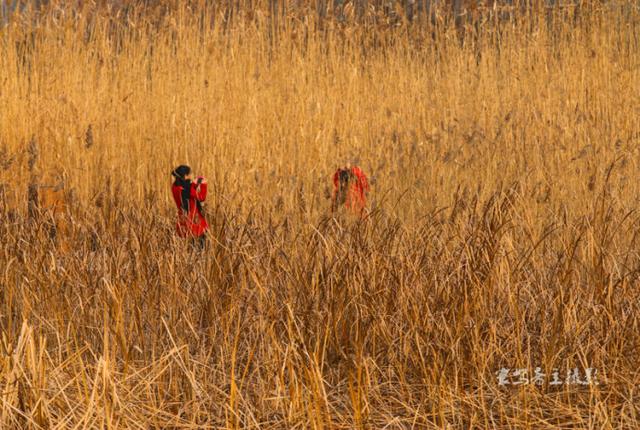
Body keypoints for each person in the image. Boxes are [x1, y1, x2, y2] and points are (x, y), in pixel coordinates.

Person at [171, 165, 208, 249]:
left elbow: (186, 194)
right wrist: (203, 185)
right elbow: (201, 197)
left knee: (186, 247)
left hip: (182, 218)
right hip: (194, 220)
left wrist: (193, 185)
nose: (191, 176)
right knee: (199, 246)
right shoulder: (188, 187)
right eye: (190, 174)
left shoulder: (175, 187)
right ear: (185, 176)